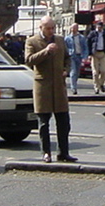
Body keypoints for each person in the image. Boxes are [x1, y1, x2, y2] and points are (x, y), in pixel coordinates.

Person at [24, 16, 75, 162]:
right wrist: (46, 51)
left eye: (52, 28)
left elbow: (67, 58)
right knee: (44, 123)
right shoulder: (32, 41)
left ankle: (63, 153)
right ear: (41, 28)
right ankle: (46, 153)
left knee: (64, 122)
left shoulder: (59, 40)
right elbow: (29, 60)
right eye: (48, 28)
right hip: (43, 86)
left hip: (59, 86)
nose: (51, 31)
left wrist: (66, 70)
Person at [63, 23, 88, 96]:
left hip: (79, 56)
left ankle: (74, 84)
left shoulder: (81, 38)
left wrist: (85, 57)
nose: (73, 29)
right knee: (73, 72)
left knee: (77, 72)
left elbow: (85, 47)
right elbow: (65, 48)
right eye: (72, 28)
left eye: (75, 28)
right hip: (71, 56)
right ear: (70, 29)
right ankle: (74, 88)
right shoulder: (67, 38)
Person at [89, 22, 105, 94]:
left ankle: (101, 84)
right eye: (98, 27)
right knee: (95, 72)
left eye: (101, 27)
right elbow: (88, 42)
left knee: (104, 71)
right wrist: (89, 54)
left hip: (103, 53)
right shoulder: (92, 34)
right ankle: (96, 87)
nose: (99, 28)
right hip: (95, 53)